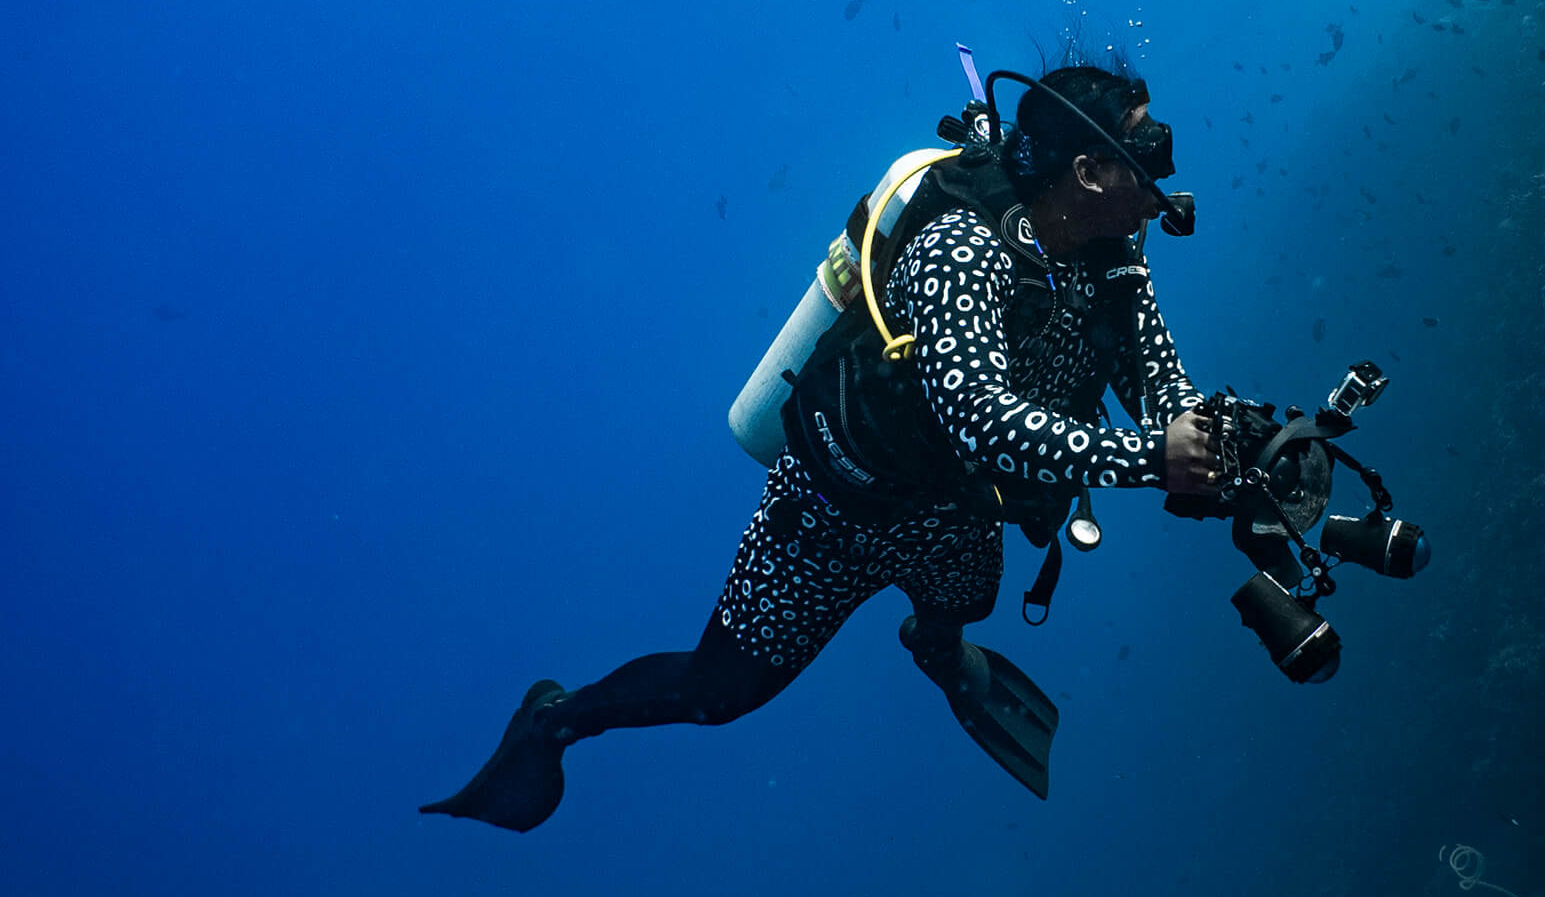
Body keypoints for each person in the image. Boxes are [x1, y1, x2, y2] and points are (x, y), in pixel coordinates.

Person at [424, 59, 1219, 830]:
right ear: (1087, 171)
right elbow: (981, 417)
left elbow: (1156, 369)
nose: (1163, 164)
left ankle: (936, 647)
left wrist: (1210, 432)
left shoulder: (1111, 251)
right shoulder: (961, 248)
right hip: (834, 512)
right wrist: (1152, 460)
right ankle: (554, 722)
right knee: (719, 692)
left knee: (960, 601)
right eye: (1144, 145)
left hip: (952, 507)